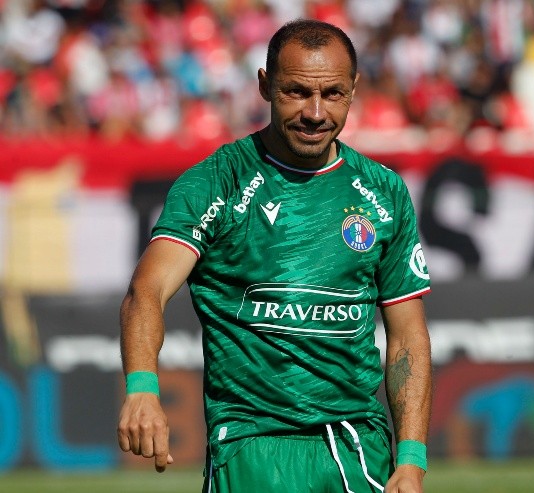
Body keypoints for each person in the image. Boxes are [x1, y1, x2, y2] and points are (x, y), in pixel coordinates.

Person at [116, 18, 433, 493]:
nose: (315, 112)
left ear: (354, 89)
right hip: (253, 449)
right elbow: (147, 289)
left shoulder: (384, 192)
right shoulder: (217, 181)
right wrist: (142, 389)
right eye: (297, 92)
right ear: (265, 85)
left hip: (361, 451)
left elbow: (407, 335)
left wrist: (411, 459)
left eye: (332, 94)